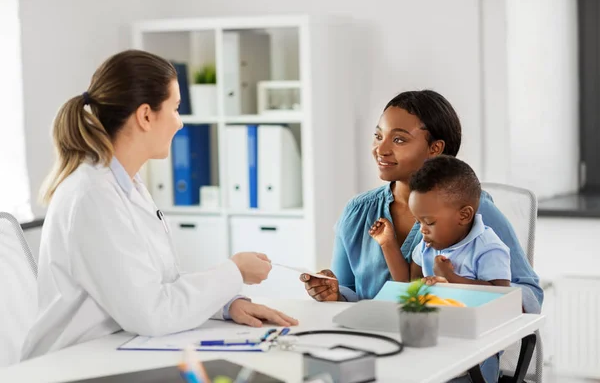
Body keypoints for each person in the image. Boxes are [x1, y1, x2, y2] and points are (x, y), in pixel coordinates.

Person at [22, 50, 297, 360]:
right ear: (146, 116)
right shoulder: (92, 195)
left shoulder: (127, 185)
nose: (180, 123)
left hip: (113, 350)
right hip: (72, 363)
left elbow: (162, 284)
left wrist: (226, 304)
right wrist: (234, 271)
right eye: (176, 108)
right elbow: (152, 313)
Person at [300, 90, 543, 314]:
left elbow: (530, 296)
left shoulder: (474, 209)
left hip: (455, 350)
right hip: (375, 343)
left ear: (434, 149)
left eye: (398, 140)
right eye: (378, 136)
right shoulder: (357, 211)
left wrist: (460, 288)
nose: (380, 149)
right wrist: (334, 295)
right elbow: (348, 291)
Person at [369, 155, 511, 288]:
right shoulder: (427, 246)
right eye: (419, 222)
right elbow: (408, 283)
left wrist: (450, 277)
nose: (422, 230)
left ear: (464, 215)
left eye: (429, 222)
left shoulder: (488, 248)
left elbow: (501, 294)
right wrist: (387, 244)